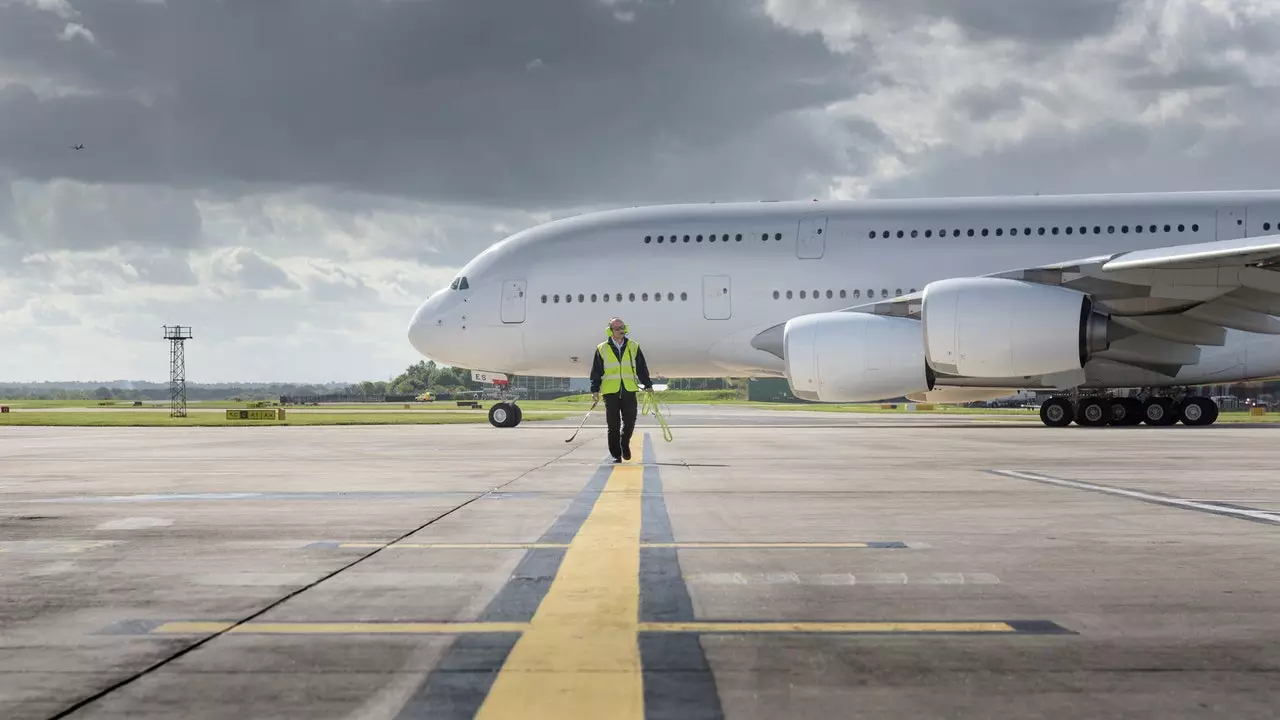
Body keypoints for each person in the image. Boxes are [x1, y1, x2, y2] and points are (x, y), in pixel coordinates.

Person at [590, 316, 653, 462]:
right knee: (613, 425)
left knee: (630, 421)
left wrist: (648, 384)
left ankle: (624, 443)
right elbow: (596, 371)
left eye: (622, 327)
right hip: (610, 391)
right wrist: (595, 389)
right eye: (617, 328)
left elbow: (641, 368)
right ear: (610, 331)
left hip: (629, 389)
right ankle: (616, 454)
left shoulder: (633, 346)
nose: (621, 330)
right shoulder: (602, 348)